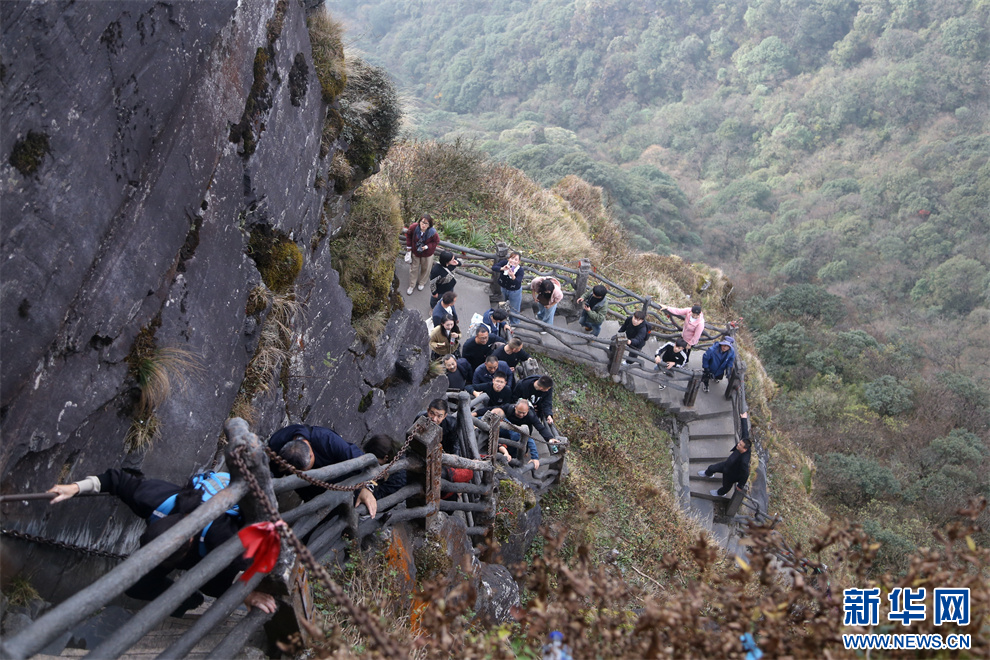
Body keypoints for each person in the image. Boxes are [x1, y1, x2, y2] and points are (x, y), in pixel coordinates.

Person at [48, 469, 277, 617]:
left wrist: (247, 594)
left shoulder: (223, 538)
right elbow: (117, 480)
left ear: (189, 544)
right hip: (189, 545)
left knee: (213, 585)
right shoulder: (160, 501)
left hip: (210, 549)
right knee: (136, 585)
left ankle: (195, 591)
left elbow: (253, 562)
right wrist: (74, 488)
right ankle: (187, 601)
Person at [268, 424, 379, 516]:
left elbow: (363, 461)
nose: (305, 472)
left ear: (311, 453)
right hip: (311, 492)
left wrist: (367, 487)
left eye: (306, 469)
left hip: (343, 482)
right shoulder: (275, 448)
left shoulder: (326, 439)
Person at [699, 412, 752, 497]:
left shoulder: (744, 461)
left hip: (731, 474)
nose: (738, 444)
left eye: (740, 445)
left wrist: (740, 485)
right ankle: (708, 473)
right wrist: (744, 419)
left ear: (745, 449)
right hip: (727, 464)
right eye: (739, 443)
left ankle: (720, 493)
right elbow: (745, 432)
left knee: (726, 486)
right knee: (712, 468)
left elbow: (746, 474)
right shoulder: (744, 443)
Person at [494, 399, 556, 470]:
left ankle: (516, 463)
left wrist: (550, 438)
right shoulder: (508, 409)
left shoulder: (531, 415)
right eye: (519, 412)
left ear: (528, 410)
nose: (521, 415)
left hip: (521, 433)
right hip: (507, 433)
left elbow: (539, 429)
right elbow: (492, 410)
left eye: (523, 413)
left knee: (518, 446)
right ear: (515, 407)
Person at [363, 434, 407, 500]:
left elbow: (380, 496)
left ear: (386, 457)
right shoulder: (394, 450)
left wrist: (371, 483)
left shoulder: (398, 477)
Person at [405, 214, 439, 295]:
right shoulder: (414, 227)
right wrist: (409, 247)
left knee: (426, 269)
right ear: (419, 221)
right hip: (416, 251)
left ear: (429, 225)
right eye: (422, 222)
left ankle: (422, 283)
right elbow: (408, 235)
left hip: (427, 253)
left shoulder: (433, 232)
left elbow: (436, 241)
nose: (423, 225)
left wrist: (427, 246)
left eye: (426, 223)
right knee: (414, 269)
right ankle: (412, 285)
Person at [492, 251, 525, 324]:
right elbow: (493, 267)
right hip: (504, 288)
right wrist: (502, 268)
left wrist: (513, 276)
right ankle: (505, 316)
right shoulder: (504, 263)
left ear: (519, 262)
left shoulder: (520, 270)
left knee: (515, 308)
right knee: (505, 303)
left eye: (516, 260)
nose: (513, 261)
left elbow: (518, 282)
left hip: (514, 291)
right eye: (512, 258)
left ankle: (515, 323)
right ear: (509, 258)